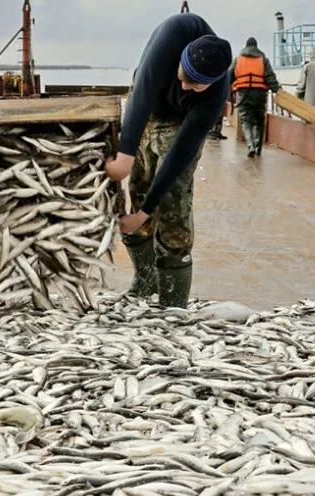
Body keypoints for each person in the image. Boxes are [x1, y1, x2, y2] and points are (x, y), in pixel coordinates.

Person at [104, 12, 232, 309]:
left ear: (213, 84)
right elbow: (142, 93)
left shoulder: (216, 95)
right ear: (180, 60)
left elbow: (180, 155)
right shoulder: (173, 35)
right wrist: (125, 154)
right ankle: (145, 278)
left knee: (173, 199)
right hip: (148, 106)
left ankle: (173, 301)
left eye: (196, 86)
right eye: (184, 78)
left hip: (181, 120)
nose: (187, 87)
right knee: (138, 181)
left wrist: (146, 212)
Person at [230, 37, 281, 157]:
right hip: (260, 94)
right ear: (256, 47)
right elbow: (270, 77)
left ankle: (250, 145)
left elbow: (229, 75)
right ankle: (258, 147)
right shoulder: (263, 59)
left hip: (243, 94)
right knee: (259, 121)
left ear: (246, 46)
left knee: (245, 120)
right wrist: (277, 90)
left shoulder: (238, 59)